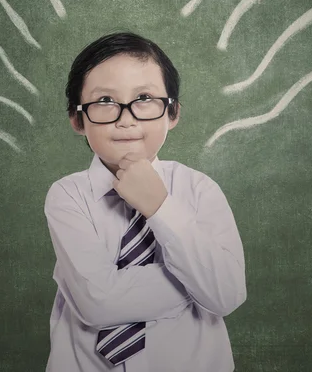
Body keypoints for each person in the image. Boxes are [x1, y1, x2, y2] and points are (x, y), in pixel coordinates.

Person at [44, 31, 246, 371]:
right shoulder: (67, 196)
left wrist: (160, 206)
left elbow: (226, 295)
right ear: (78, 119)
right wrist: (195, 286)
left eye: (145, 98)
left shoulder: (200, 190)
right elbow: (98, 302)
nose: (126, 118)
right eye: (105, 101)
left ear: (173, 113)